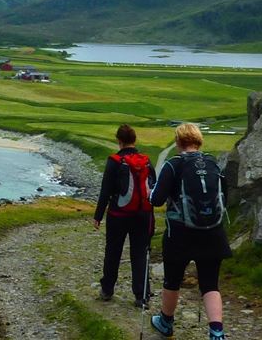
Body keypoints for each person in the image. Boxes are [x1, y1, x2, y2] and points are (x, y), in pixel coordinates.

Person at [150, 123, 231, 339]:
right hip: (213, 233)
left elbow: (156, 199)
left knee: (172, 280)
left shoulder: (173, 165)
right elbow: (225, 198)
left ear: (178, 142)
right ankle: (216, 332)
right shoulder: (212, 163)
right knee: (210, 283)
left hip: (179, 234)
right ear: (198, 140)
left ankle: (166, 322)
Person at [93, 124, 155, 307]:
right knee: (139, 254)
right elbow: (155, 186)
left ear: (119, 141)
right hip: (143, 215)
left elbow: (105, 191)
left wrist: (98, 216)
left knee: (113, 252)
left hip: (118, 215)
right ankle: (141, 295)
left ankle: (107, 290)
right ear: (134, 140)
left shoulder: (114, 161)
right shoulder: (146, 161)